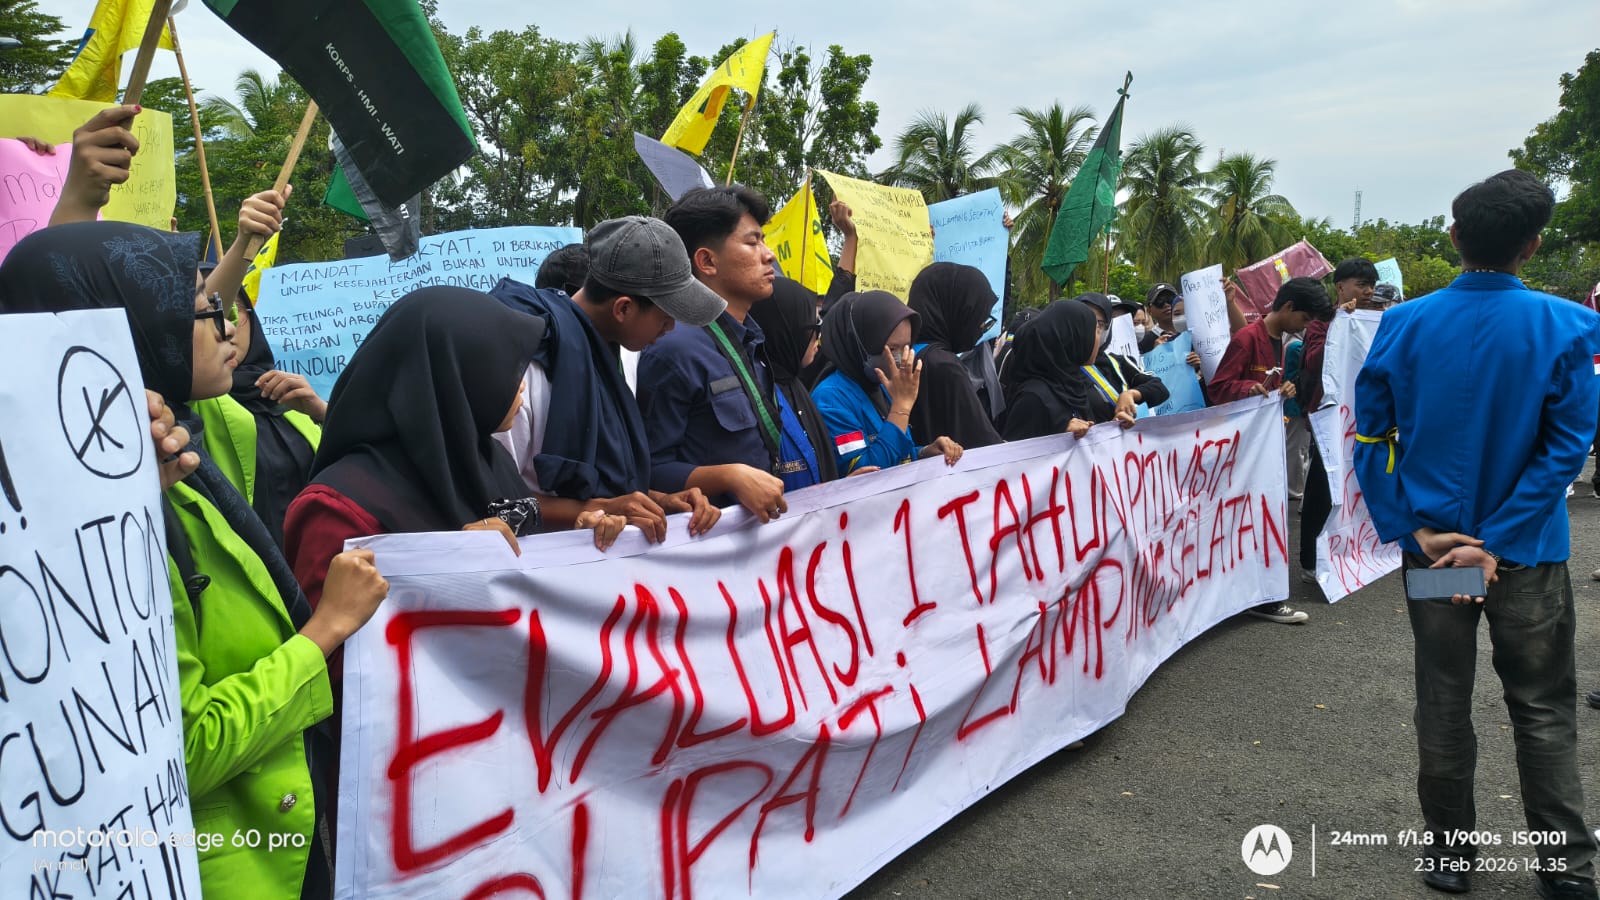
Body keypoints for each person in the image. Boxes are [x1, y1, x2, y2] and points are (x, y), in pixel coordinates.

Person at [0, 221, 391, 900]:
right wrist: (323, 631)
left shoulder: (173, 462)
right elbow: (188, 746)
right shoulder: (95, 522)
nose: (227, 327)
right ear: (131, 329)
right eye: (201, 308)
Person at [1354, 170, 1600, 899]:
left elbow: (1370, 439)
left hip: (1435, 553)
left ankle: (1450, 857)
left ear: (1455, 235)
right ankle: (1567, 871)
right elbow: (1567, 448)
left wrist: (1416, 528)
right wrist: (1494, 542)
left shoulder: (1402, 323)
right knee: (1543, 708)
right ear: (1534, 244)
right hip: (1527, 555)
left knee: (1443, 699)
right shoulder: (1569, 325)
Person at [286, 286, 627, 609]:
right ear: (454, 377)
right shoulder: (337, 509)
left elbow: (521, 542)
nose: (521, 386)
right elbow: (328, 639)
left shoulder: (487, 458)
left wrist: (575, 540)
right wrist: (453, 559)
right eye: (505, 370)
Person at [489, 217, 724, 542]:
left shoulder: (611, 355)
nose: (671, 328)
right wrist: (602, 508)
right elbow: (494, 501)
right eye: (665, 317)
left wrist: (659, 501)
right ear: (623, 309)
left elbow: (607, 487)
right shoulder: (532, 362)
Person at [637, 186, 789, 522]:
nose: (769, 255)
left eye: (763, 241)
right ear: (707, 261)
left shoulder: (751, 340)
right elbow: (648, 471)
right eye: (752, 242)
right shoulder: (674, 348)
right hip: (708, 542)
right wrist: (727, 477)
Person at [191, 193, 326, 550]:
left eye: (233, 315)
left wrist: (323, 414)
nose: (225, 329)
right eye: (208, 315)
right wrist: (243, 243)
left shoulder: (291, 402)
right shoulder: (194, 402)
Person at [811, 290, 963, 473]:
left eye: (906, 346)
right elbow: (867, 473)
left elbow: (896, 455)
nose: (900, 358)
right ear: (861, 344)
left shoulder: (881, 385)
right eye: (892, 348)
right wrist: (901, 408)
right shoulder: (831, 399)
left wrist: (924, 453)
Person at [1296, 258, 1381, 582]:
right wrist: (1339, 325)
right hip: (1331, 419)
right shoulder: (1323, 321)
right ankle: (1311, 560)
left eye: (1371, 285)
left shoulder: (1376, 320)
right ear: (1340, 287)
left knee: (1359, 486)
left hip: (1367, 418)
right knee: (1322, 487)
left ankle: (1354, 550)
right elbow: (1313, 362)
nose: (1368, 291)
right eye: (1361, 284)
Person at [747, 276, 841, 485]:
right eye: (813, 328)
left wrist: (841, 488)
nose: (818, 338)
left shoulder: (795, 385)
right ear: (786, 331)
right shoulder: (757, 393)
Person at [905, 262, 1005, 449]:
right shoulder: (945, 366)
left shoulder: (908, 353)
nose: (981, 328)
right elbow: (985, 444)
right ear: (956, 309)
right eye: (977, 316)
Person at [998, 299, 1105, 440]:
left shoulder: (1074, 385)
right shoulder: (1033, 398)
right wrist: (1058, 435)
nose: (1098, 339)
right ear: (1072, 337)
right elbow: (1014, 451)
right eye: (1096, 331)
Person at [1075, 292, 1170, 422]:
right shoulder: (1063, 368)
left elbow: (1160, 389)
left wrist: (1131, 394)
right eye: (1087, 321)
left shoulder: (1118, 362)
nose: (1094, 328)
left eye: (1100, 323)